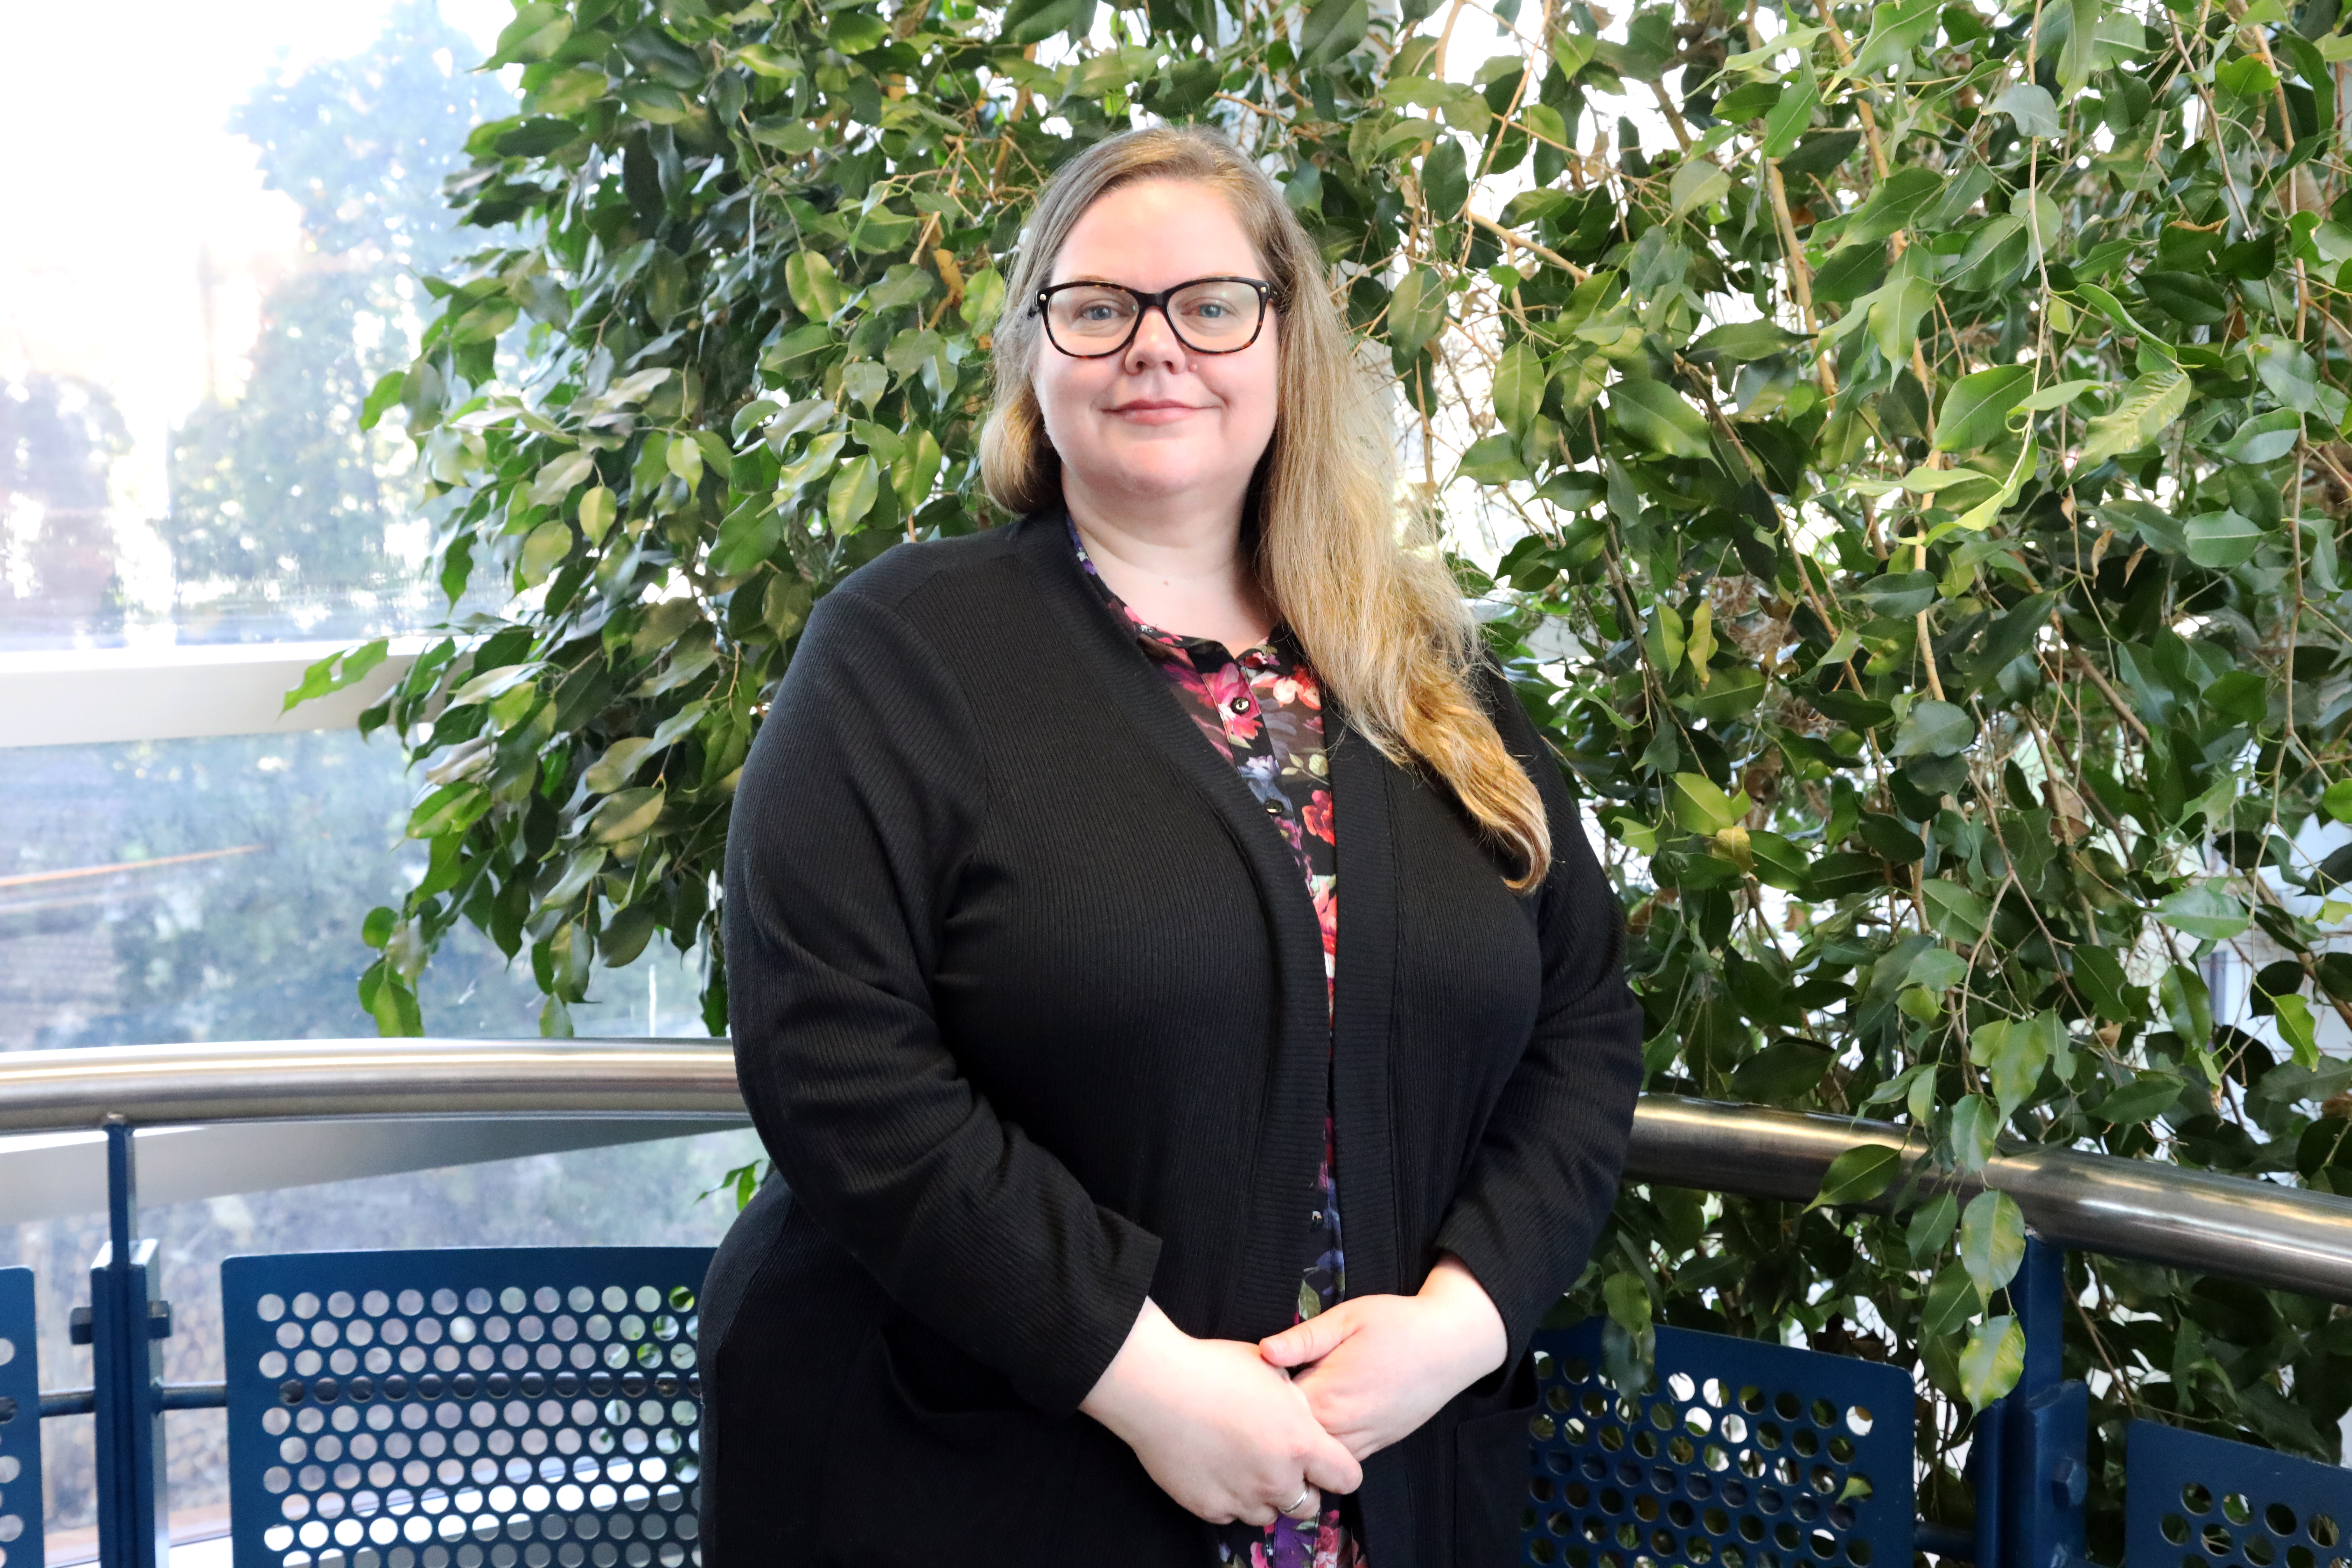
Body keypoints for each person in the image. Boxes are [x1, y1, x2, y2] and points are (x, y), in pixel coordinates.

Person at [698, 121, 1644, 1567]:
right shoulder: (900, 655)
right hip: (974, 1480)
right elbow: (837, 1064)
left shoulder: (1427, 676)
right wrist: (1141, 1378)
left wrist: (1463, 1323)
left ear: (1286, 345)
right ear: (1034, 350)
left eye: (1210, 305)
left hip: (1397, 1481)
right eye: (1099, 308)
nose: (1157, 347)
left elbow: (1582, 1027)